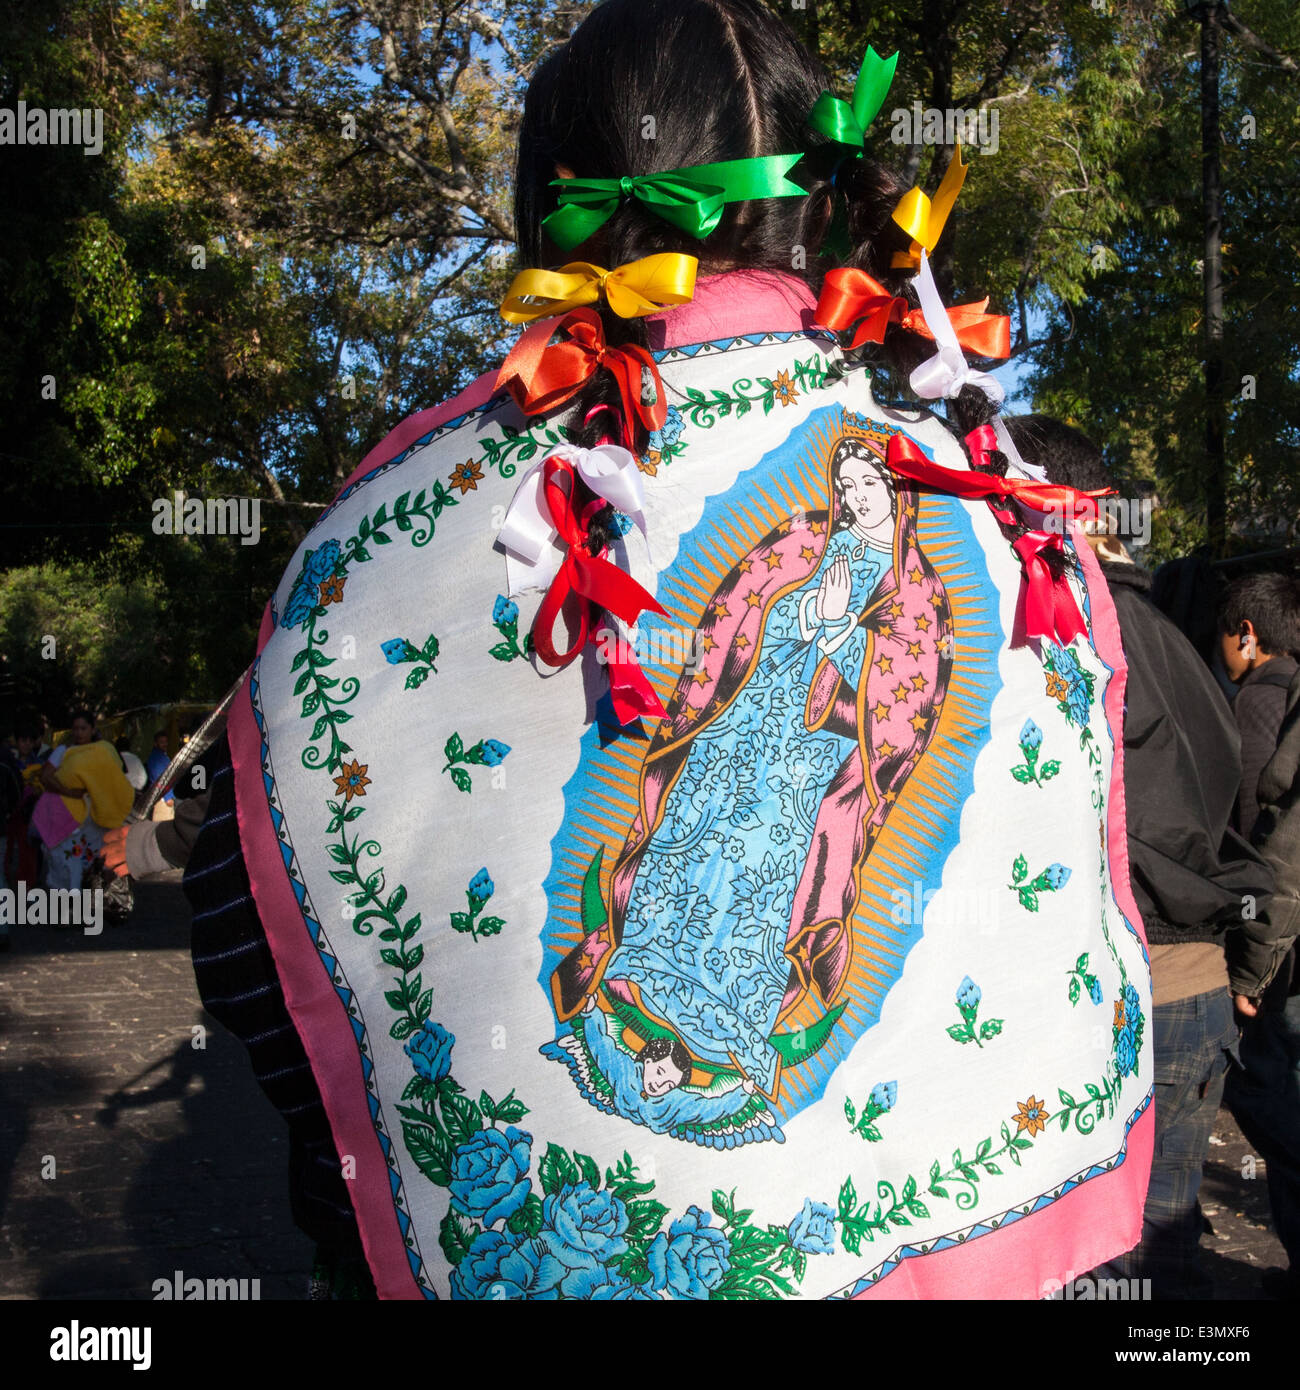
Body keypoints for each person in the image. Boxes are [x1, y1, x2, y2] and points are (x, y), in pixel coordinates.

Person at [185, 0, 1155, 1300]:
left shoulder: (400, 529)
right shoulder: (1003, 503)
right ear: (817, 202)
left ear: (551, 202)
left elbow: (261, 932)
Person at [1006, 415, 1284, 1299]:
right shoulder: (1170, 637)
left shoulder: (1079, 635)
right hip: (1187, 984)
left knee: (1119, 1264)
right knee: (1158, 1251)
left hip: (1130, 995)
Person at [1217, 571, 1300, 1298]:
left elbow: (1254, 847)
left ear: (1248, 636)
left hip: (1275, 951)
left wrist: (1247, 965)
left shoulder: (1255, 706)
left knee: (1269, 1098)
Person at [38, 710, 134, 896]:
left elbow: (115, 778)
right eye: (75, 729)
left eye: (83, 728)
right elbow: (45, 777)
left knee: (90, 862)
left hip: (94, 818)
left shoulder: (103, 750)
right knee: (65, 863)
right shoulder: (63, 752)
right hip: (67, 816)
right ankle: (65, 911)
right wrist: (69, 792)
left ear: (92, 729)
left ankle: (86, 907)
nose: (79, 733)